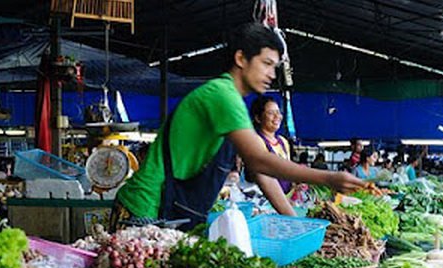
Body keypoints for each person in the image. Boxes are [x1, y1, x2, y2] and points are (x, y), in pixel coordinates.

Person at [113, 24, 363, 229]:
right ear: (241, 58)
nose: (272, 75)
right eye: (266, 63)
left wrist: (297, 223)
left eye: (275, 67)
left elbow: (263, 174)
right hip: (144, 209)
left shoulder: (233, 104)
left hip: (167, 209)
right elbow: (259, 160)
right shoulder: (223, 96)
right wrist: (328, 178)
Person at [247, 95, 296, 214]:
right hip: (264, 204)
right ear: (258, 118)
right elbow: (263, 177)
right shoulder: (256, 141)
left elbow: (288, 171)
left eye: (278, 112)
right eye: (271, 113)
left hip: (286, 200)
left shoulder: (283, 142)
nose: (277, 117)